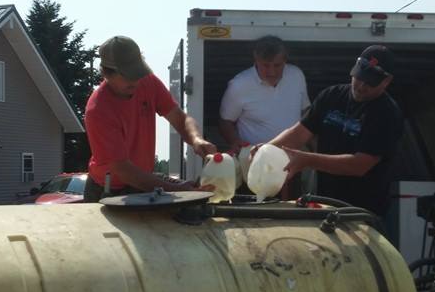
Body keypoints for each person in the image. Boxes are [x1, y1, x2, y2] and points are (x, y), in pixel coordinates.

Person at [265, 45, 404, 216]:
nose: (361, 86)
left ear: (386, 81)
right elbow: (300, 132)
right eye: (359, 77)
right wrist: (266, 149)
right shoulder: (331, 96)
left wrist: (308, 160)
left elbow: (359, 165)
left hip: (362, 212)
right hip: (325, 205)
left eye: (370, 82)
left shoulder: (387, 114)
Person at [83, 35, 217, 202]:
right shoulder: (98, 110)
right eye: (127, 76)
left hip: (142, 180)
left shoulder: (148, 82)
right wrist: (178, 190)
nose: (135, 81)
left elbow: (180, 118)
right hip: (109, 190)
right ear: (106, 73)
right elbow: (123, 170)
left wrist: (196, 139)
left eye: (137, 73)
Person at [218, 36, 310, 152]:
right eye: (266, 65)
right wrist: (234, 141)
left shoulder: (296, 75)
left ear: (285, 61)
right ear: (256, 60)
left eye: (277, 65)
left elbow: (306, 112)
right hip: (255, 157)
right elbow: (225, 122)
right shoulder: (238, 85)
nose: (272, 72)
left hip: (293, 156)